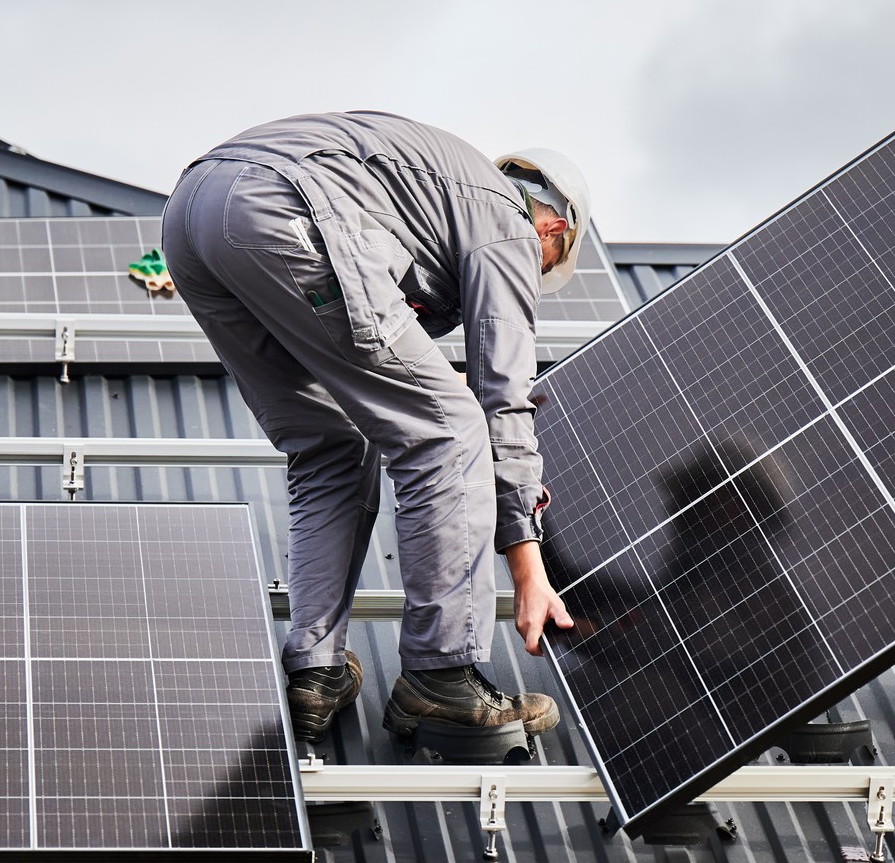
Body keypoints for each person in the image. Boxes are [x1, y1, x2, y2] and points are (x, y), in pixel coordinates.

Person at [160, 111, 581, 746]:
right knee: (449, 427)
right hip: (283, 204)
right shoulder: (510, 221)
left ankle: (315, 669)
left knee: (330, 444)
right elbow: (505, 395)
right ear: (554, 227)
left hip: (193, 215)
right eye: (544, 266)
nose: (531, 278)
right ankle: (442, 674)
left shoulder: (431, 192)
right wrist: (527, 560)